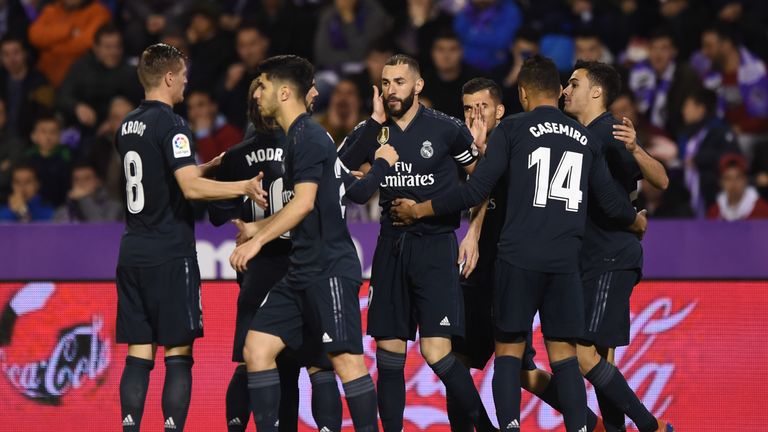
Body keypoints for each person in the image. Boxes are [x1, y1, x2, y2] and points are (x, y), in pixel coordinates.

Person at [390, 55, 646, 432]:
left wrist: (419, 210)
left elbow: (477, 189)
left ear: (521, 94)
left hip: (516, 260)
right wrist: (636, 219)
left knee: (509, 358)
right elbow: (609, 199)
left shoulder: (513, 131)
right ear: (557, 92)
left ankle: (510, 426)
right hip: (564, 263)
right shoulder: (583, 137)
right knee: (564, 359)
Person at [212, 76, 396, 432]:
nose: (315, 93)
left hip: (294, 264)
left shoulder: (254, 150)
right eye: (310, 86)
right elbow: (346, 185)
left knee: (275, 360)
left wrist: (253, 229)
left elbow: (220, 212)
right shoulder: (306, 138)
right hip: (296, 261)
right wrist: (380, 154)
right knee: (309, 362)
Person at [338, 54, 495, 432]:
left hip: (435, 248)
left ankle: (486, 429)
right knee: (389, 355)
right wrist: (373, 122)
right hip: (390, 248)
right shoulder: (374, 129)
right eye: (386, 82)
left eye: (400, 82)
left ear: (418, 86)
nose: (392, 90)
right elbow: (338, 168)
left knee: (437, 352)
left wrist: (473, 232)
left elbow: (482, 183)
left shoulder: (446, 129)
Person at [115, 43, 264, 432]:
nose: (186, 81)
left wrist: (201, 167)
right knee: (178, 356)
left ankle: (130, 425)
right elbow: (190, 191)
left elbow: (158, 177)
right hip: (170, 252)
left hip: (132, 251)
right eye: (182, 75)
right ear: (168, 78)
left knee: (138, 354)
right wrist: (242, 186)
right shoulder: (173, 124)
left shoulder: (127, 125)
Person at [450, 77, 604, 432]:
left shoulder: (518, 138)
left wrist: (472, 230)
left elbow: (484, 187)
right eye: (468, 108)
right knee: (456, 362)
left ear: (501, 109)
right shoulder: (463, 145)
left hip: (515, 267)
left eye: (483, 106)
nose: (475, 115)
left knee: (521, 369)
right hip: (480, 271)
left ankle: (591, 424)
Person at [562, 60, 673, 432]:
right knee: (603, 358)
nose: (565, 89)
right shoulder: (582, 134)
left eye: (574, 83)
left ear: (596, 92)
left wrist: (638, 149)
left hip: (609, 254)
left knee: (583, 355)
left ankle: (651, 426)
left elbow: (661, 179)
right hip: (593, 255)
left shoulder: (609, 130)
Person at [53, 162, 122, 222]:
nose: (81, 183)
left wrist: (84, 198)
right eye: (76, 179)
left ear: (98, 182)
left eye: (87, 178)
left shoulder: (114, 207)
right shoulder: (62, 211)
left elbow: (103, 231)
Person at [707, 153, 768, 220]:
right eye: (728, 178)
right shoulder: (714, 212)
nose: (733, 183)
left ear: (745, 180)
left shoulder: (762, 210)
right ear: (721, 182)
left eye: (738, 177)